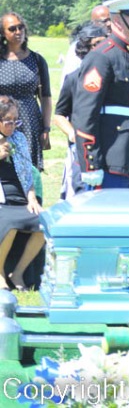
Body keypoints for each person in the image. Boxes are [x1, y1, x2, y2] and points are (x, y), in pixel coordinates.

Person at [71, 0, 129, 189]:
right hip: (109, 160)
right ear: (117, 20)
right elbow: (84, 114)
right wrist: (90, 163)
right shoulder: (101, 56)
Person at [53, 23, 108, 198]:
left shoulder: (113, 77)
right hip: (83, 150)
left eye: (105, 43)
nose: (102, 48)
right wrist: (73, 134)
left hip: (109, 147)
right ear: (85, 49)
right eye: (97, 44)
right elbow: (59, 114)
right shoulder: (73, 78)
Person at [0, 96, 44, 291]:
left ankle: (18, 272)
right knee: (10, 223)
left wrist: (32, 197)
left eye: (15, 120)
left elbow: (27, 172)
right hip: (2, 199)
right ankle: (0, 273)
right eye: (8, 121)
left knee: (45, 223)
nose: (13, 126)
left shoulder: (18, 138)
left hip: (19, 196)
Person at [0, 12, 52, 171]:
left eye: (20, 27)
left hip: (30, 122)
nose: (18, 32)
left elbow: (46, 97)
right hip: (3, 122)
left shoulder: (37, 60)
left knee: (29, 169)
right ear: (3, 33)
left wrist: (46, 128)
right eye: (12, 28)